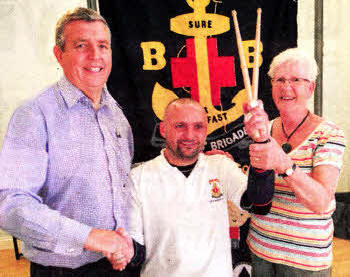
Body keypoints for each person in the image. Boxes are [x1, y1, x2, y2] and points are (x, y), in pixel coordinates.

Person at [0, 7, 135, 276]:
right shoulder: (35, 115)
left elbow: (121, 190)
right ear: (59, 55)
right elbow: (10, 205)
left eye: (103, 46)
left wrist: (122, 241)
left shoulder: (116, 115)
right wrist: (91, 237)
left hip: (117, 265)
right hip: (63, 271)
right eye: (81, 45)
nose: (95, 56)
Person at [109, 98, 274, 276]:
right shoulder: (139, 177)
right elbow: (135, 248)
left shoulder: (220, 166)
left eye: (198, 127)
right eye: (180, 126)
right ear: (163, 130)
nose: (189, 135)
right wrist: (122, 252)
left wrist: (261, 141)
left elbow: (260, 204)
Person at [244, 48, 346, 277]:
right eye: (279, 79)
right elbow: (259, 197)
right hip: (261, 250)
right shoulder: (265, 128)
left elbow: (321, 202)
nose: (286, 87)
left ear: (310, 88)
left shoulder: (329, 134)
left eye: (296, 80)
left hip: (304, 261)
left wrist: (284, 164)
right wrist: (259, 140)